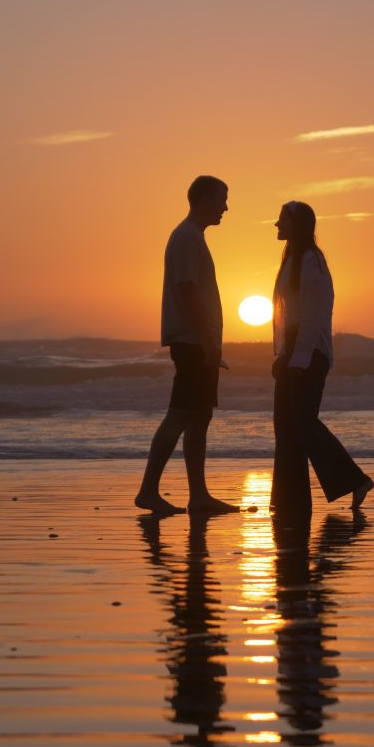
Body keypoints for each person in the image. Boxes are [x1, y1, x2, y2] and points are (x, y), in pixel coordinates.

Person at [135, 176, 239, 515]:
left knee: (199, 417)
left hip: (198, 343)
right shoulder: (186, 237)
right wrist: (209, 341)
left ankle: (199, 496)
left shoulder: (192, 237)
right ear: (205, 198)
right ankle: (149, 491)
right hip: (193, 343)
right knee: (180, 415)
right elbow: (188, 291)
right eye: (222, 199)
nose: (226, 207)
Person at [270, 200, 374, 516]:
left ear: (297, 224)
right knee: (286, 426)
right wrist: (283, 354)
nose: (276, 225)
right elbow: (287, 316)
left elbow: (314, 317)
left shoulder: (312, 262)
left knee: (301, 423)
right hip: (295, 352)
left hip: (310, 354)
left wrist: (299, 359)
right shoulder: (292, 259)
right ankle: (289, 500)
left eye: (281, 220)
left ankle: (354, 480)